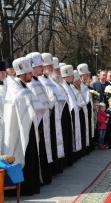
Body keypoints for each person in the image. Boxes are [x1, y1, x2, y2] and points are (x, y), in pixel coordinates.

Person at [4, 57, 41, 195]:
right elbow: (25, 104)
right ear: (23, 73)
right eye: (30, 73)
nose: (31, 75)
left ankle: (30, 187)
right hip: (20, 130)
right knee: (24, 155)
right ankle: (24, 188)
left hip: (28, 127)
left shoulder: (22, 85)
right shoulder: (16, 88)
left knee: (30, 156)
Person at [26, 52, 53, 185]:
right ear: (32, 67)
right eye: (38, 66)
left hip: (44, 120)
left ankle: (45, 176)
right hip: (37, 122)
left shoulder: (38, 80)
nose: (41, 68)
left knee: (43, 149)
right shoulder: (30, 83)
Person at [60, 65, 82, 160]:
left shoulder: (70, 86)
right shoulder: (64, 86)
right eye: (72, 76)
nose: (73, 77)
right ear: (66, 76)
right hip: (68, 115)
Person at [0, 61, 7, 153]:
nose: (3, 74)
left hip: (7, 121)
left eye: (4, 71)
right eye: (0, 72)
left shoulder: (8, 85)